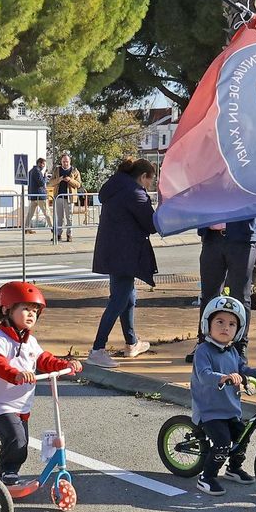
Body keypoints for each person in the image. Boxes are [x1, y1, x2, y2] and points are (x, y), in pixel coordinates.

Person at [0, 282, 81, 491]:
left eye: (35, 311)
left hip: (22, 405)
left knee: (20, 442)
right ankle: (8, 475)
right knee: (16, 440)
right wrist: (15, 374)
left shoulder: (31, 342)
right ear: (5, 310)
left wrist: (65, 365)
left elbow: (45, 360)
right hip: (2, 403)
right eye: (25, 309)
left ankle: (4, 474)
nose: (31, 314)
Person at [191, 296, 256, 495]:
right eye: (219, 322)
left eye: (232, 324)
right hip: (210, 411)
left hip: (230, 410)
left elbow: (243, 369)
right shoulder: (203, 351)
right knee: (222, 444)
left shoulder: (232, 352)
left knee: (242, 436)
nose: (225, 328)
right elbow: (204, 376)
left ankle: (233, 468)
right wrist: (224, 378)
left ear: (237, 330)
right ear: (208, 324)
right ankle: (206, 477)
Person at [87, 158, 158, 368]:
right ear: (143, 176)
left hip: (112, 251)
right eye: (150, 181)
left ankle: (132, 343)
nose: (149, 186)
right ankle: (98, 349)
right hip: (125, 254)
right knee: (119, 299)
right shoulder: (135, 193)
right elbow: (150, 224)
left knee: (128, 297)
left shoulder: (115, 187)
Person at [196, 215, 256, 345]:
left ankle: (239, 345)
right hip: (212, 235)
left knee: (240, 295)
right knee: (208, 295)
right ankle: (204, 343)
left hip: (244, 235)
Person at [51, 153, 81, 241]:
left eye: (67, 162)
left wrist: (70, 180)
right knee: (59, 218)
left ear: (70, 161)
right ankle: (58, 235)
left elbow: (78, 184)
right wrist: (59, 179)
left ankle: (69, 235)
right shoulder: (57, 170)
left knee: (69, 217)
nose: (65, 163)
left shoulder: (74, 170)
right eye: (64, 162)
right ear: (61, 162)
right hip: (58, 196)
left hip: (70, 197)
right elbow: (51, 182)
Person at [24, 157, 50, 233]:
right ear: (39, 163)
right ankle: (53, 228)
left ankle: (26, 228)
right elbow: (41, 183)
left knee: (30, 214)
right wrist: (45, 176)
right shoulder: (37, 171)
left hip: (33, 195)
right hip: (40, 196)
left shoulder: (30, 171)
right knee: (47, 213)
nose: (43, 166)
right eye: (43, 164)